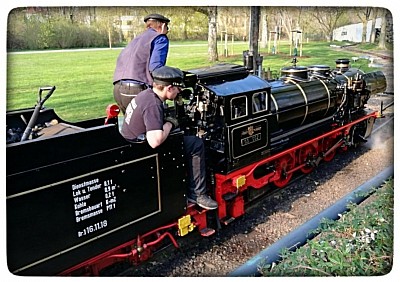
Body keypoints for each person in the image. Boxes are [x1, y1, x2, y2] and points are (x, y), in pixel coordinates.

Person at [121, 66, 218, 210]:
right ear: (170, 88)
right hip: (141, 151)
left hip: (131, 143)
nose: (180, 92)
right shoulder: (153, 104)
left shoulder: (146, 94)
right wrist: (170, 124)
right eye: (178, 89)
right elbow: (155, 141)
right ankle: (197, 194)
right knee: (196, 143)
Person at [113, 13, 171, 114]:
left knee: (131, 126)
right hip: (136, 90)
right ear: (162, 26)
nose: (167, 31)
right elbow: (156, 67)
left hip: (118, 89)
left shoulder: (137, 39)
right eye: (167, 27)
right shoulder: (160, 38)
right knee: (151, 126)